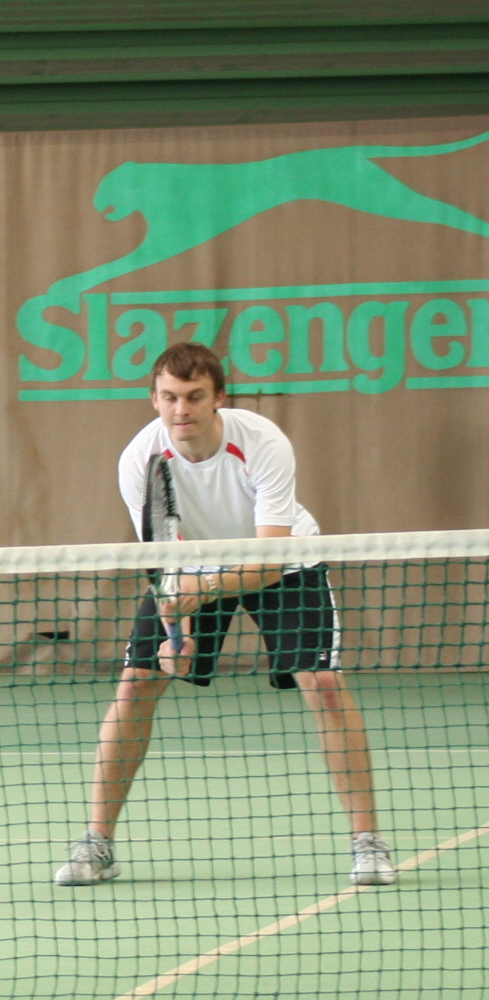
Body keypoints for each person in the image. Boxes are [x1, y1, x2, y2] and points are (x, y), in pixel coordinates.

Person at [54, 341, 394, 888]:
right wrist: (178, 636)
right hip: (191, 567)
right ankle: (97, 843)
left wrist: (205, 589)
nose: (180, 409)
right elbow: (165, 559)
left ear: (219, 398)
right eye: (169, 397)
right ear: (154, 399)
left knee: (324, 684)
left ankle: (367, 842)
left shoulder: (262, 443)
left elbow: (269, 557)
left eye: (194, 396)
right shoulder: (140, 459)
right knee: (136, 685)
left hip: (281, 564)